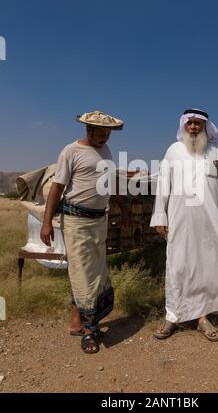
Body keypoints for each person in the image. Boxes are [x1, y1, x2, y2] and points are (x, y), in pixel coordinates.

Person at [150, 108, 218, 341]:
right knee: (178, 266)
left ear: (206, 126)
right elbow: (163, 186)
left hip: (212, 222)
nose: (194, 127)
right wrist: (159, 217)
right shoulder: (173, 151)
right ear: (183, 126)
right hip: (180, 220)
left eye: (198, 123)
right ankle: (173, 316)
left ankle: (202, 317)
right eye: (190, 123)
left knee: (207, 268)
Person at [40, 110, 129, 354]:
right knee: (83, 274)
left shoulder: (106, 152)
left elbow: (110, 182)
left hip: (99, 221)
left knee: (94, 272)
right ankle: (91, 331)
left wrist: (123, 209)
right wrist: (47, 223)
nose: (104, 139)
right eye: (100, 134)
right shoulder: (71, 151)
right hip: (76, 221)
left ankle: (75, 322)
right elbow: (57, 187)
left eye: (107, 135)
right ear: (88, 130)